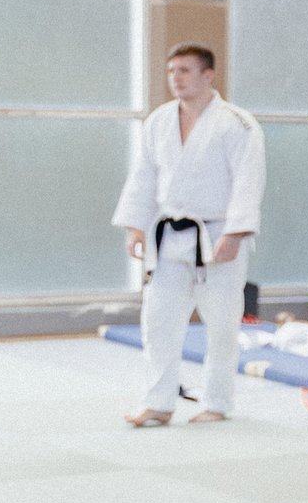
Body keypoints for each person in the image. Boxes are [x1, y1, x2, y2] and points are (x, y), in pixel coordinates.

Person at [111, 43, 267, 428]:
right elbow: (143, 177)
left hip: (216, 236)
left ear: (207, 75)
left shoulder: (238, 123)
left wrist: (235, 233)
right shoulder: (159, 121)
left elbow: (249, 182)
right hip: (168, 238)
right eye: (171, 71)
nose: (175, 78)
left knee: (221, 326)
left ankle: (217, 403)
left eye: (184, 70)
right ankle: (159, 403)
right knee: (158, 321)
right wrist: (135, 226)